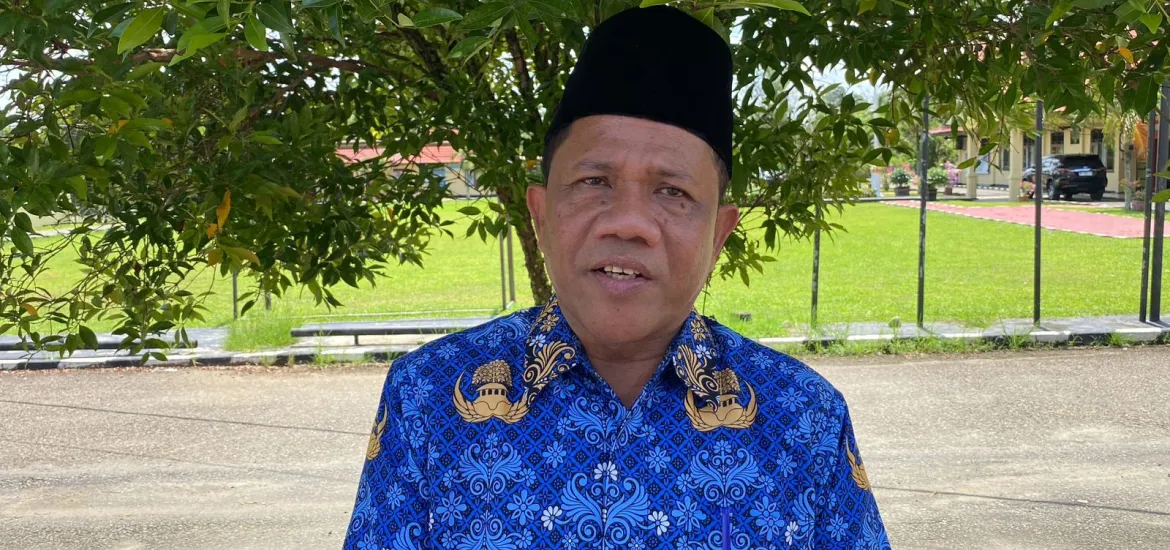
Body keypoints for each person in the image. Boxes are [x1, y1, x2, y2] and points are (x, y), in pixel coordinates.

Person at [344, 6, 889, 549]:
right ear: (540, 215)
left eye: (673, 191)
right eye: (594, 181)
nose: (628, 223)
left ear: (718, 236)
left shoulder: (803, 417)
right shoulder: (428, 398)